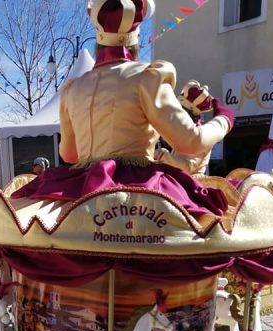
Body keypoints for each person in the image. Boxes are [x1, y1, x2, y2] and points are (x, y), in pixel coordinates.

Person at [15, 0, 233, 214]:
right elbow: (190, 141)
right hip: (141, 192)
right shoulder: (147, 77)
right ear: (135, 41)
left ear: (98, 41)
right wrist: (223, 120)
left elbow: (69, 155)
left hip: (81, 192)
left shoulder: (73, 88)